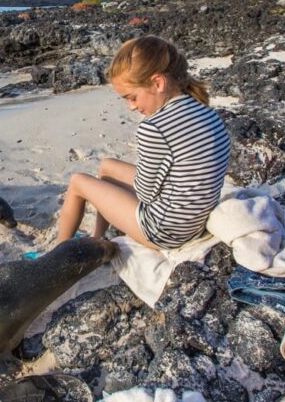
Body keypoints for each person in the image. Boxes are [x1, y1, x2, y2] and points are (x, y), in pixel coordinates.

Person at [55, 35, 231, 250]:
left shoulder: (154, 127)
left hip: (164, 231)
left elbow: (147, 193)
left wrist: (138, 180)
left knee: (78, 182)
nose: (132, 107)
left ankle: (55, 255)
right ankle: (98, 238)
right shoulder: (205, 112)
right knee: (107, 167)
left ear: (158, 83)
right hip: (194, 221)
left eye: (132, 97)